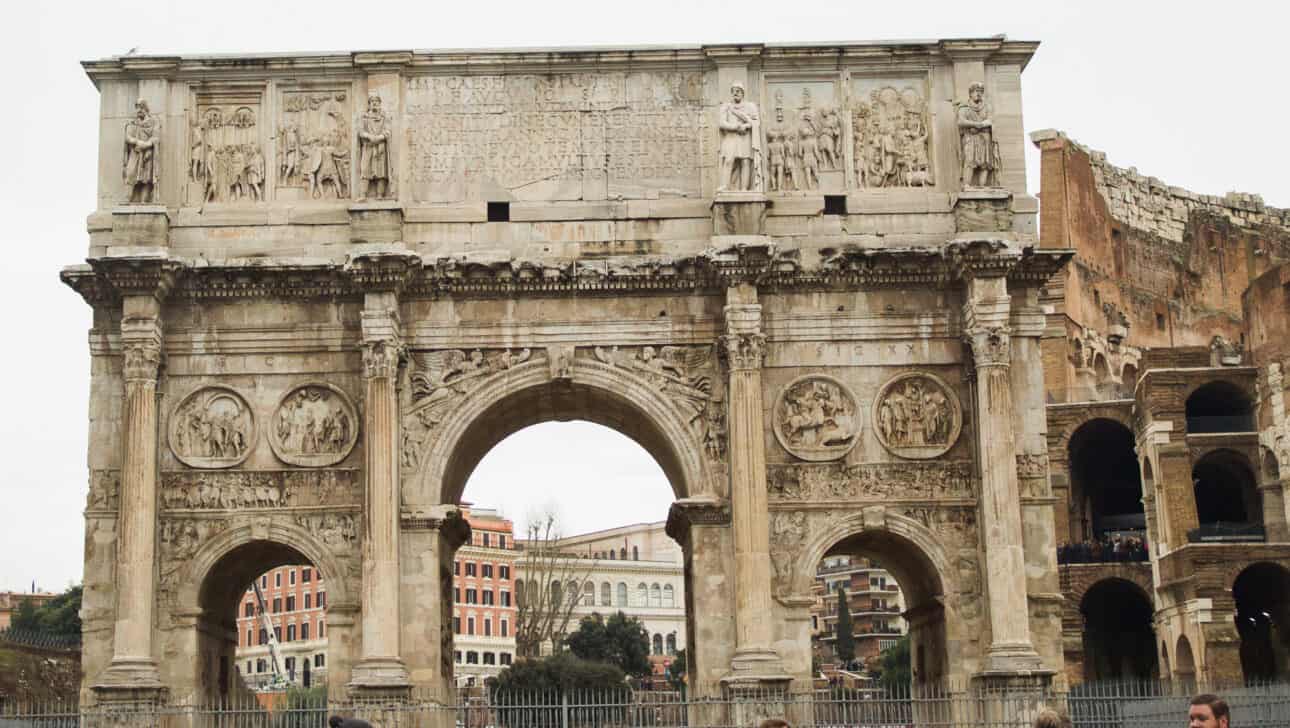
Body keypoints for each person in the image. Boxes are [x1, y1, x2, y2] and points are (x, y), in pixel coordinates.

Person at [717, 82, 761, 192]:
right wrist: (735, 127)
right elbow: (722, 123)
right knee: (728, 160)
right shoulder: (726, 107)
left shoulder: (750, 106)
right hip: (731, 136)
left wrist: (746, 126)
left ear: (742, 93)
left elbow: (756, 121)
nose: (735, 93)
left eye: (738, 91)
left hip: (744, 137)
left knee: (745, 161)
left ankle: (744, 188)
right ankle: (725, 185)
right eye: (733, 91)